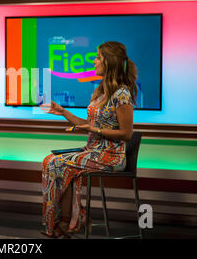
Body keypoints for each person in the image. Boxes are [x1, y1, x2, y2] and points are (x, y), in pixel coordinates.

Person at [40, 41, 138, 238]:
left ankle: (64, 222)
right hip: (92, 152)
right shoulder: (101, 91)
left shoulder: (122, 94)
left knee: (59, 164)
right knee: (50, 161)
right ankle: (69, 220)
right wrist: (62, 112)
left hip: (110, 157)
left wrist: (95, 128)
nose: (94, 61)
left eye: (98, 58)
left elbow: (126, 133)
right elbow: (88, 124)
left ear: (109, 62)